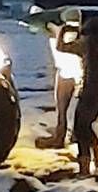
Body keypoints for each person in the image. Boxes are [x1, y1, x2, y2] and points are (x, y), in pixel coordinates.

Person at [63, 15, 98, 175]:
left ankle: (85, 167)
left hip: (88, 91)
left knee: (80, 128)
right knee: (85, 126)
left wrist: (63, 31)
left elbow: (61, 47)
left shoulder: (85, 45)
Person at [35, 18, 83, 150]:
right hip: (66, 65)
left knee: (75, 108)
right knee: (63, 106)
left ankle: (75, 137)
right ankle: (62, 134)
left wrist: (60, 29)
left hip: (74, 65)